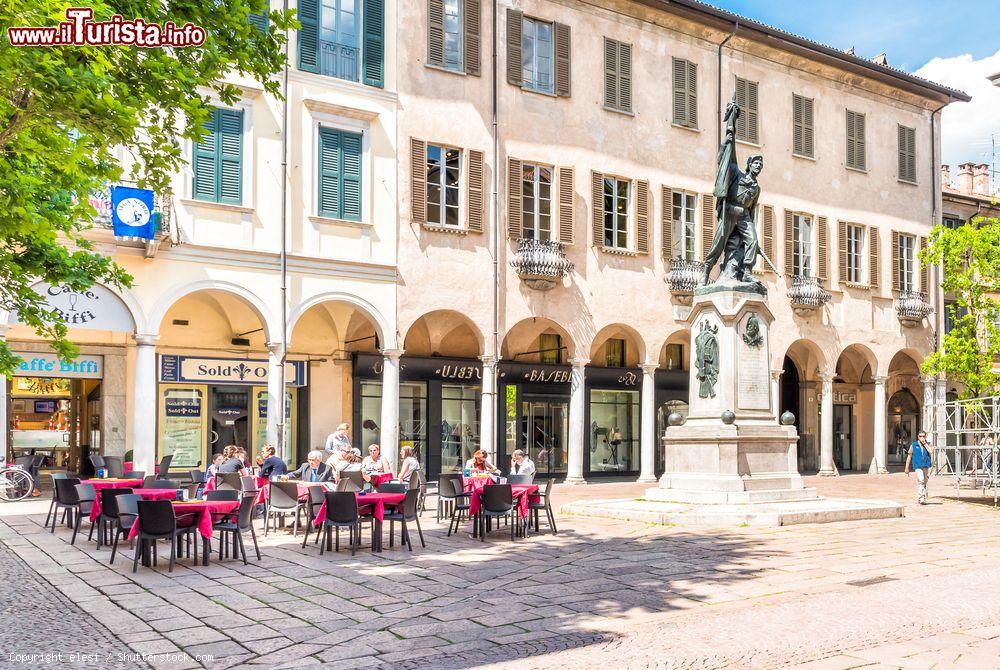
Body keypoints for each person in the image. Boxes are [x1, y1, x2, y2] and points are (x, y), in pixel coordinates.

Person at [904, 430, 933, 504]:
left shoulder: (929, 444)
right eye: (920, 436)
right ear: (918, 437)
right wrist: (906, 468)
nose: (922, 437)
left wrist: (925, 443)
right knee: (921, 480)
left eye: (923, 436)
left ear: (925, 436)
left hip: (926, 465)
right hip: (917, 466)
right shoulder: (913, 445)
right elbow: (909, 456)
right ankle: (921, 498)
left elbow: (930, 451)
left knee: (925, 482)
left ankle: (923, 496)